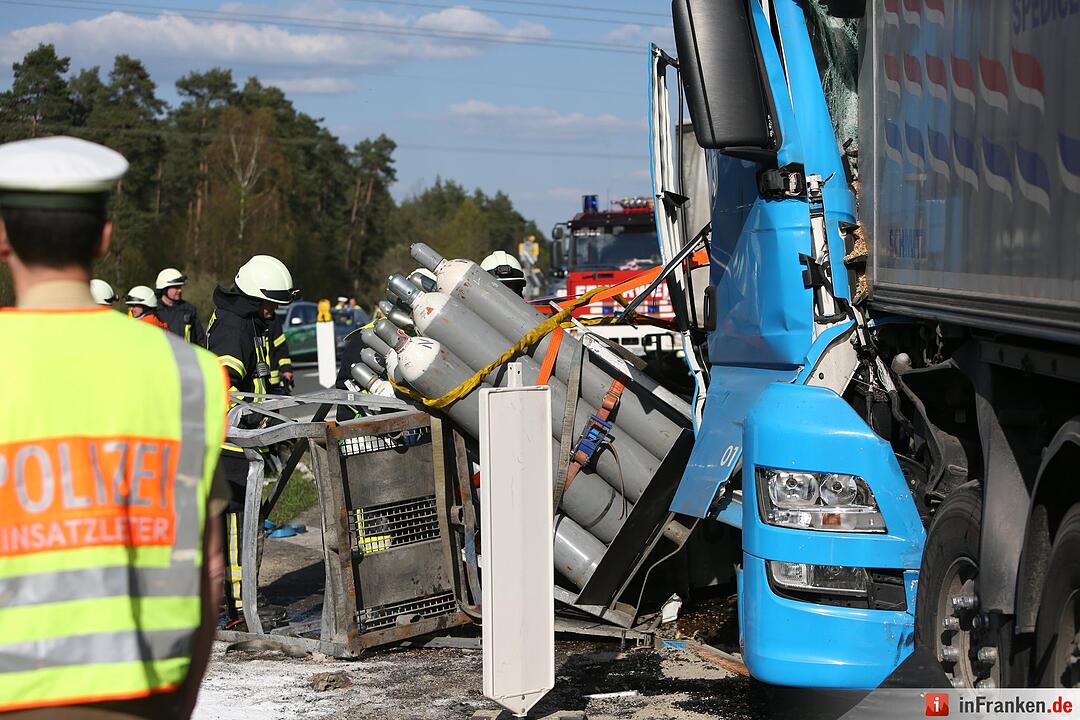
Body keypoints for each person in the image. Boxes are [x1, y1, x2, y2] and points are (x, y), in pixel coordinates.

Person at [0, 135, 227, 718]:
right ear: (104, 237)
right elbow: (208, 570)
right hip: (145, 695)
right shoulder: (192, 375)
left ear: (2, 237)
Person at [205, 254, 296, 625]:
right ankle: (239, 609)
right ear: (256, 298)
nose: (274, 310)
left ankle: (242, 603)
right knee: (237, 528)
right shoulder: (233, 328)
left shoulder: (248, 322)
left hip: (244, 443)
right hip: (231, 448)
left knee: (244, 526)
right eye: (271, 303)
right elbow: (222, 381)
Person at [155, 267, 205, 345]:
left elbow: (200, 339)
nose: (179, 290)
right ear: (164, 289)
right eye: (176, 287)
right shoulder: (154, 312)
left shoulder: (189, 310)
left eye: (180, 287)